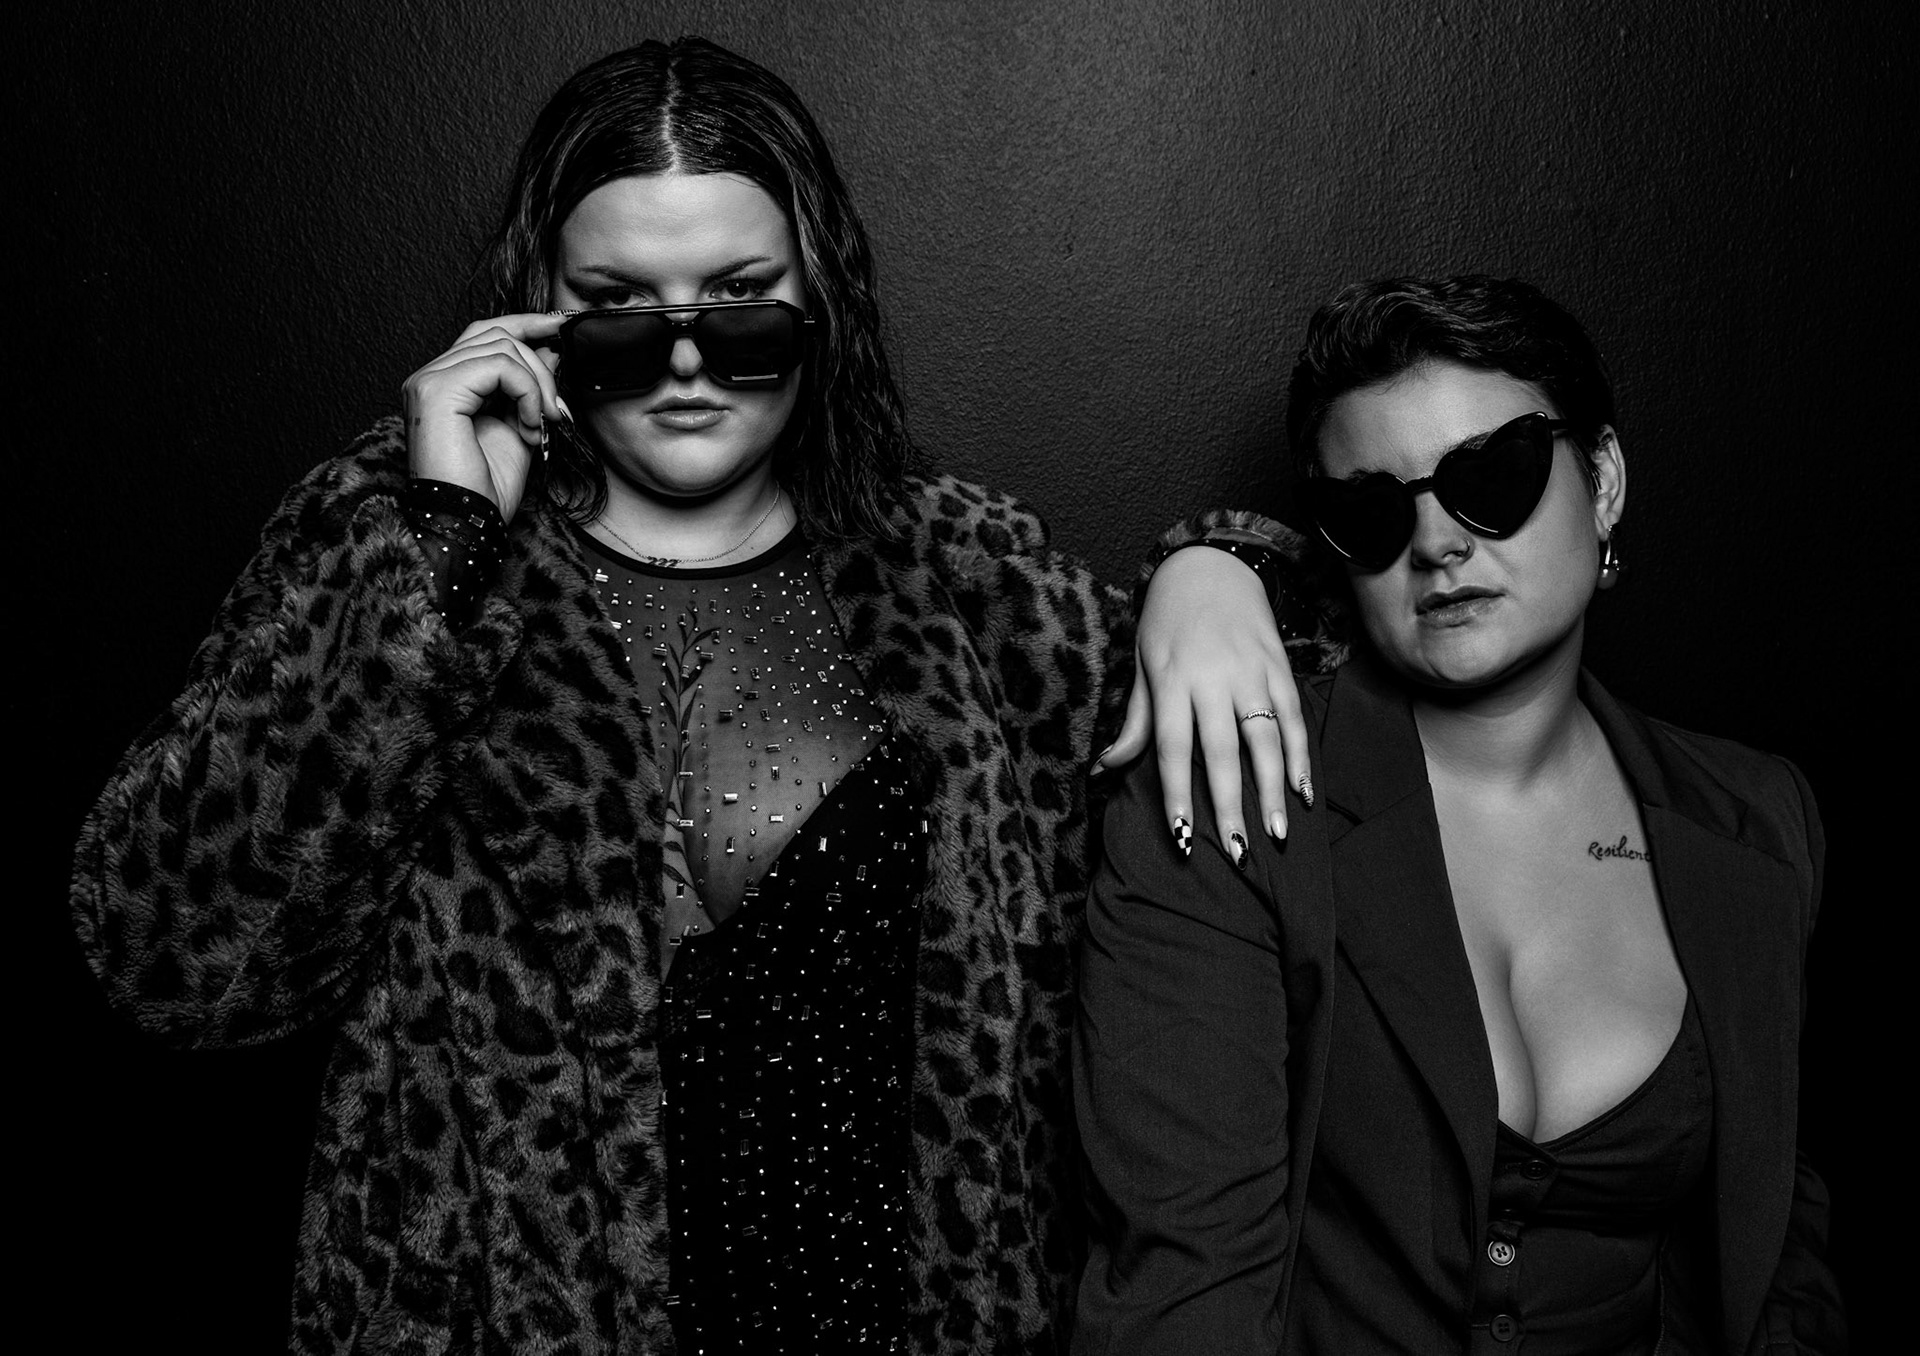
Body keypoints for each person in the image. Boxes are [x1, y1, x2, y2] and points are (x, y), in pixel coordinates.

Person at [68, 36, 1335, 1356]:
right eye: (620, 314)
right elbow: (175, 963)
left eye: (740, 309)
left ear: (819, 304)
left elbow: (1345, 686)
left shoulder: (967, 584)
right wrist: (440, 544)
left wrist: (1217, 570)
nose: (684, 365)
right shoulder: (393, 551)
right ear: (537, 319)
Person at [1074, 275, 1846, 1354]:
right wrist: (1201, 569)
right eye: (1376, 511)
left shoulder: (1757, 819)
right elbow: (1181, 1295)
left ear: (1604, 482)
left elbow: (1780, 1263)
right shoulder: (1228, 801)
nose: (1437, 541)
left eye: (1493, 475)